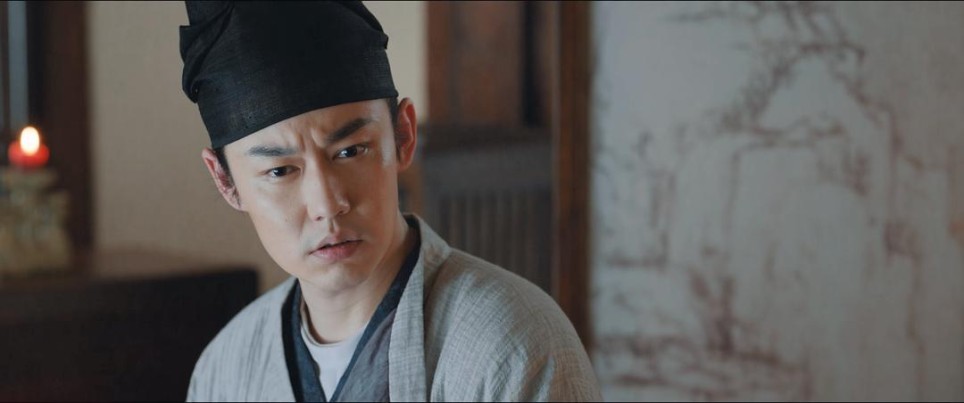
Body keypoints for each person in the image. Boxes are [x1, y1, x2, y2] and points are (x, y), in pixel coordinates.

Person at [179, 1, 600, 401]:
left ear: (403, 135)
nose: (327, 205)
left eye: (350, 151)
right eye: (280, 171)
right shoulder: (226, 368)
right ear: (225, 180)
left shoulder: (513, 344)